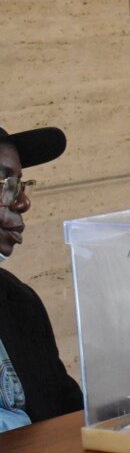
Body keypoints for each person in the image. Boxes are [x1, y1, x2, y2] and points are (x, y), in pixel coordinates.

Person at [0, 125, 83, 431]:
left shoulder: (17, 301)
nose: (22, 203)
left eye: (19, 185)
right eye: (4, 184)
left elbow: (69, 413)